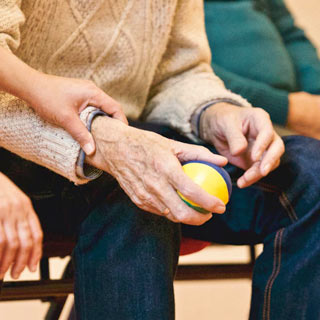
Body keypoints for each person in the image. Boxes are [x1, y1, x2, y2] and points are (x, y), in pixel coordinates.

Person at [0, 1, 319, 320]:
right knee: (139, 187)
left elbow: (179, 70)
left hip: (132, 134)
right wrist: (105, 141)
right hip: (20, 143)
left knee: (309, 174)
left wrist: (215, 113)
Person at [204, 0, 320, 139]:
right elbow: (189, 72)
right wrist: (285, 109)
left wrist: (315, 96)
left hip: (300, 108)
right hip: (235, 119)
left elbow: (291, 35)